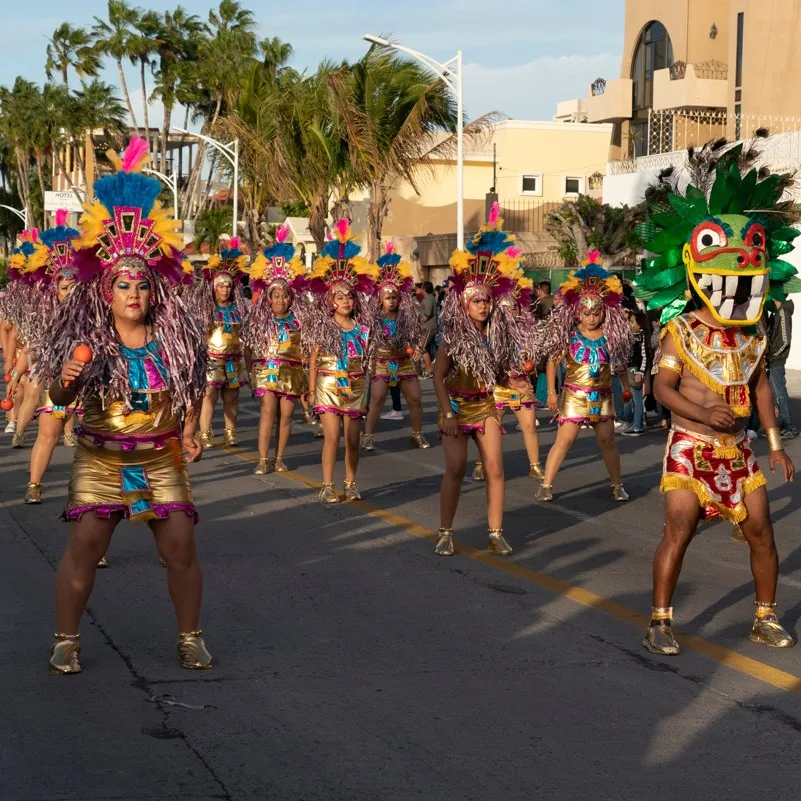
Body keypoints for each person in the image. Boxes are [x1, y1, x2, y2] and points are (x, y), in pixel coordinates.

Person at [34, 137, 212, 674]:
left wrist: (189, 430)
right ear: (105, 292)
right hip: (103, 458)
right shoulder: (88, 340)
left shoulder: (175, 337)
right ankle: (66, 639)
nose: (133, 292)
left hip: (159, 457)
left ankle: (190, 637)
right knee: (85, 546)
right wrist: (67, 382)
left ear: (153, 291)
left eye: (140, 284)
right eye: (121, 284)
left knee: (179, 546)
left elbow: (192, 381)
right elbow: (59, 398)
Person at [635, 140, 796, 655]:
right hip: (689, 447)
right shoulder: (679, 330)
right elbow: (662, 389)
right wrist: (702, 410)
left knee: (764, 534)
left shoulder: (754, 335)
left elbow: (762, 386)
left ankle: (764, 618)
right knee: (678, 530)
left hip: (740, 451)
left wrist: (772, 443)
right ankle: (659, 620)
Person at [432, 203, 518, 558]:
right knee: (455, 469)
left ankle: (495, 533)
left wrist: (513, 383)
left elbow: (497, 374)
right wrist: (447, 414)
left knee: (496, 468)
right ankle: (445, 531)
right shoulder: (453, 335)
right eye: (476, 302)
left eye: (486, 301)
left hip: (484, 406)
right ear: (465, 306)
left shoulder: (498, 336)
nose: (483, 306)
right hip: (455, 406)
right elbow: (437, 376)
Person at [536, 251, 633, 502]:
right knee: (564, 441)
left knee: (607, 441)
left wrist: (625, 387)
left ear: (604, 312)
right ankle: (546, 484)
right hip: (574, 396)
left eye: (596, 312)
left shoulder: (611, 336)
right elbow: (552, 362)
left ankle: (616, 484)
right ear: (577, 312)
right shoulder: (568, 336)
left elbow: (620, 364)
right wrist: (551, 393)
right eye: (587, 312)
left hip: (602, 398)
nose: (591, 317)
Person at [7, 212, 81, 505]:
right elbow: (32, 348)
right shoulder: (47, 317)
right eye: (65, 287)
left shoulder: (96, 315)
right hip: (57, 385)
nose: (71, 291)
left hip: (91, 388)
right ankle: (34, 485)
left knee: (99, 448)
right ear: (56, 289)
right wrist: (14, 375)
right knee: (47, 435)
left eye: (75, 286)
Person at [307, 219, 377, 503]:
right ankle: (327, 485)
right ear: (330, 301)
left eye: (349, 296)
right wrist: (312, 391)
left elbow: (369, 366)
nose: (346, 301)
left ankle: (350, 483)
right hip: (328, 384)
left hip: (356, 388)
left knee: (352, 441)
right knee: (332, 438)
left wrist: (368, 394)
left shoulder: (364, 329)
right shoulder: (323, 327)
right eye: (340, 297)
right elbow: (313, 360)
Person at [242, 224, 308, 473]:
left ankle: (279, 458)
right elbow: (248, 348)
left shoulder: (300, 319)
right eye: (276, 295)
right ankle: (262, 459)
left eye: (285, 295)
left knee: (287, 416)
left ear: (291, 296)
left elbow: (306, 348)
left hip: (291, 374)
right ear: (268, 297)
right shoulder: (258, 319)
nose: (281, 300)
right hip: (266, 371)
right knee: (268, 411)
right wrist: (251, 371)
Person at [473, 251, 543, 480]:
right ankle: (482, 463)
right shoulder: (489, 330)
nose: (509, 311)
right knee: (490, 430)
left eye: (512, 307)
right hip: (498, 385)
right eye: (504, 307)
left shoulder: (527, 328)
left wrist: (531, 362)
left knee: (530, 426)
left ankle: (535, 465)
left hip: (521, 385)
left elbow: (536, 356)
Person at [362, 242, 429, 451]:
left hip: (403, 361)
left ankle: (417, 435)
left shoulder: (406, 316)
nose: (391, 301)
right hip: (382, 361)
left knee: (416, 400)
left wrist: (417, 346)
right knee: (377, 400)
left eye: (394, 297)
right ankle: (368, 436)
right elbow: (365, 339)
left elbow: (420, 333)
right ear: (380, 299)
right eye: (387, 298)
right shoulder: (373, 318)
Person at [189, 239, 249, 448]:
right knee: (210, 396)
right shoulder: (206, 309)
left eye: (228, 285)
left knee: (232, 397)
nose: (225, 289)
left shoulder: (239, 309)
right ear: (213, 288)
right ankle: (204, 432)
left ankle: (230, 431)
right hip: (212, 360)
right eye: (221, 285)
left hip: (233, 360)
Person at [767, 298, 797, 438]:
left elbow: (784, 340)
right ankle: (780, 425)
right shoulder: (776, 313)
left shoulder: (783, 312)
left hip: (776, 360)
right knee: (775, 393)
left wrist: (772, 355)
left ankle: (787, 426)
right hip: (773, 359)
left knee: (779, 393)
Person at [621, 309, 648, 436]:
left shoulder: (642, 336)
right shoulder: (631, 336)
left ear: (639, 323)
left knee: (637, 400)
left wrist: (640, 372)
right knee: (631, 399)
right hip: (629, 369)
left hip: (635, 370)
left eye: (632, 322)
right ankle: (635, 423)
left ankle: (637, 426)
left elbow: (644, 356)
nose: (630, 324)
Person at [418, 281, 437, 377]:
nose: (420, 289)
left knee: (422, 348)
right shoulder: (428, 298)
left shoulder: (429, 298)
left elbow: (428, 313)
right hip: (427, 327)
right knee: (425, 348)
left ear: (424, 289)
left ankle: (429, 370)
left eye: (421, 287)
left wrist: (420, 321)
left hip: (429, 327)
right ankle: (428, 368)